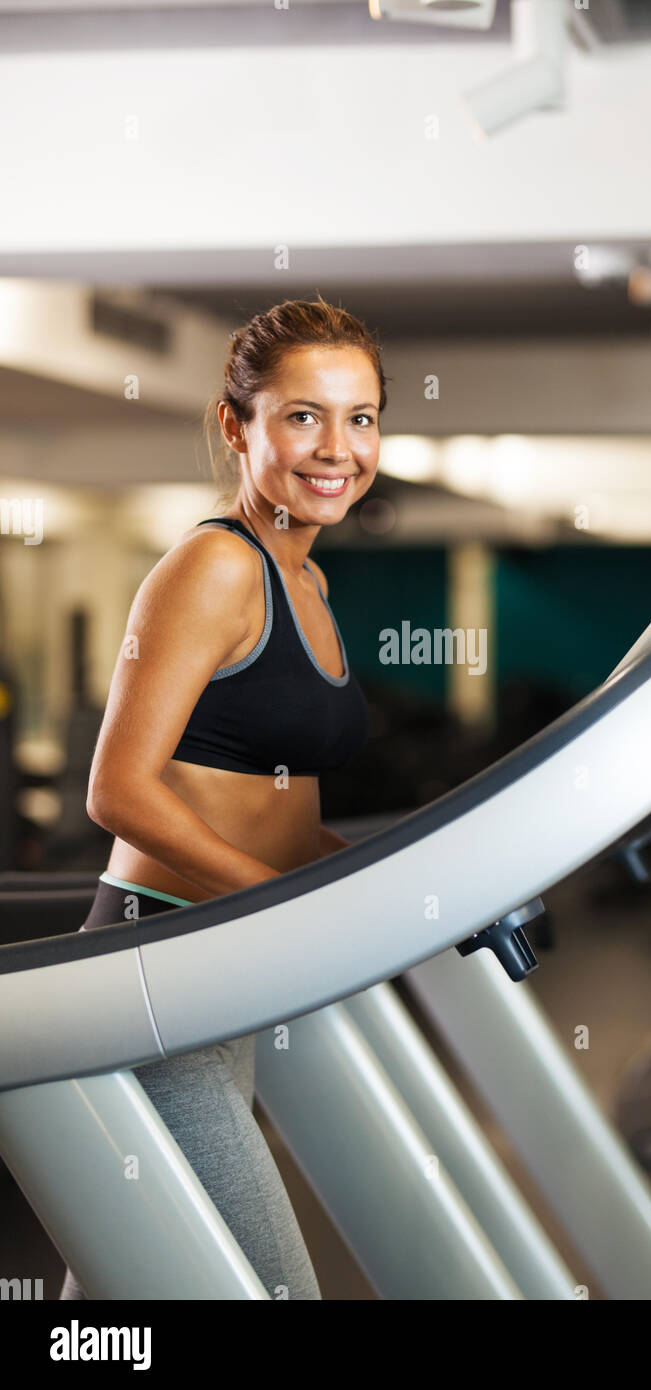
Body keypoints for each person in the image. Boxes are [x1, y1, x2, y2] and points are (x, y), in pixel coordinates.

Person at [59, 295, 386, 1300]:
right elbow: (117, 789)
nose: (337, 447)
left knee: (125, 1292)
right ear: (234, 425)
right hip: (163, 967)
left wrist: (401, 879)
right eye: (301, 415)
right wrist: (278, 907)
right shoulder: (212, 567)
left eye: (361, 417)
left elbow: (275, 808)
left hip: (228, 971)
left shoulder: (310, 587)